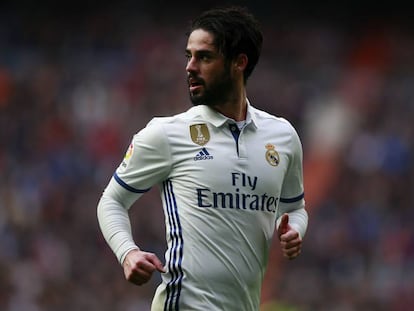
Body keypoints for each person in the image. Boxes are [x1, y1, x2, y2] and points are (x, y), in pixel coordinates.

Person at [97, 6, 308, 311]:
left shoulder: (283, 137)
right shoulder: (166, 134)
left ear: (239, 63)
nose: (190, 67)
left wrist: (294, 230)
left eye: (204, 57)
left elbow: (295, 208)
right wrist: (127, 252)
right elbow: (112, 201)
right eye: (189, 56)